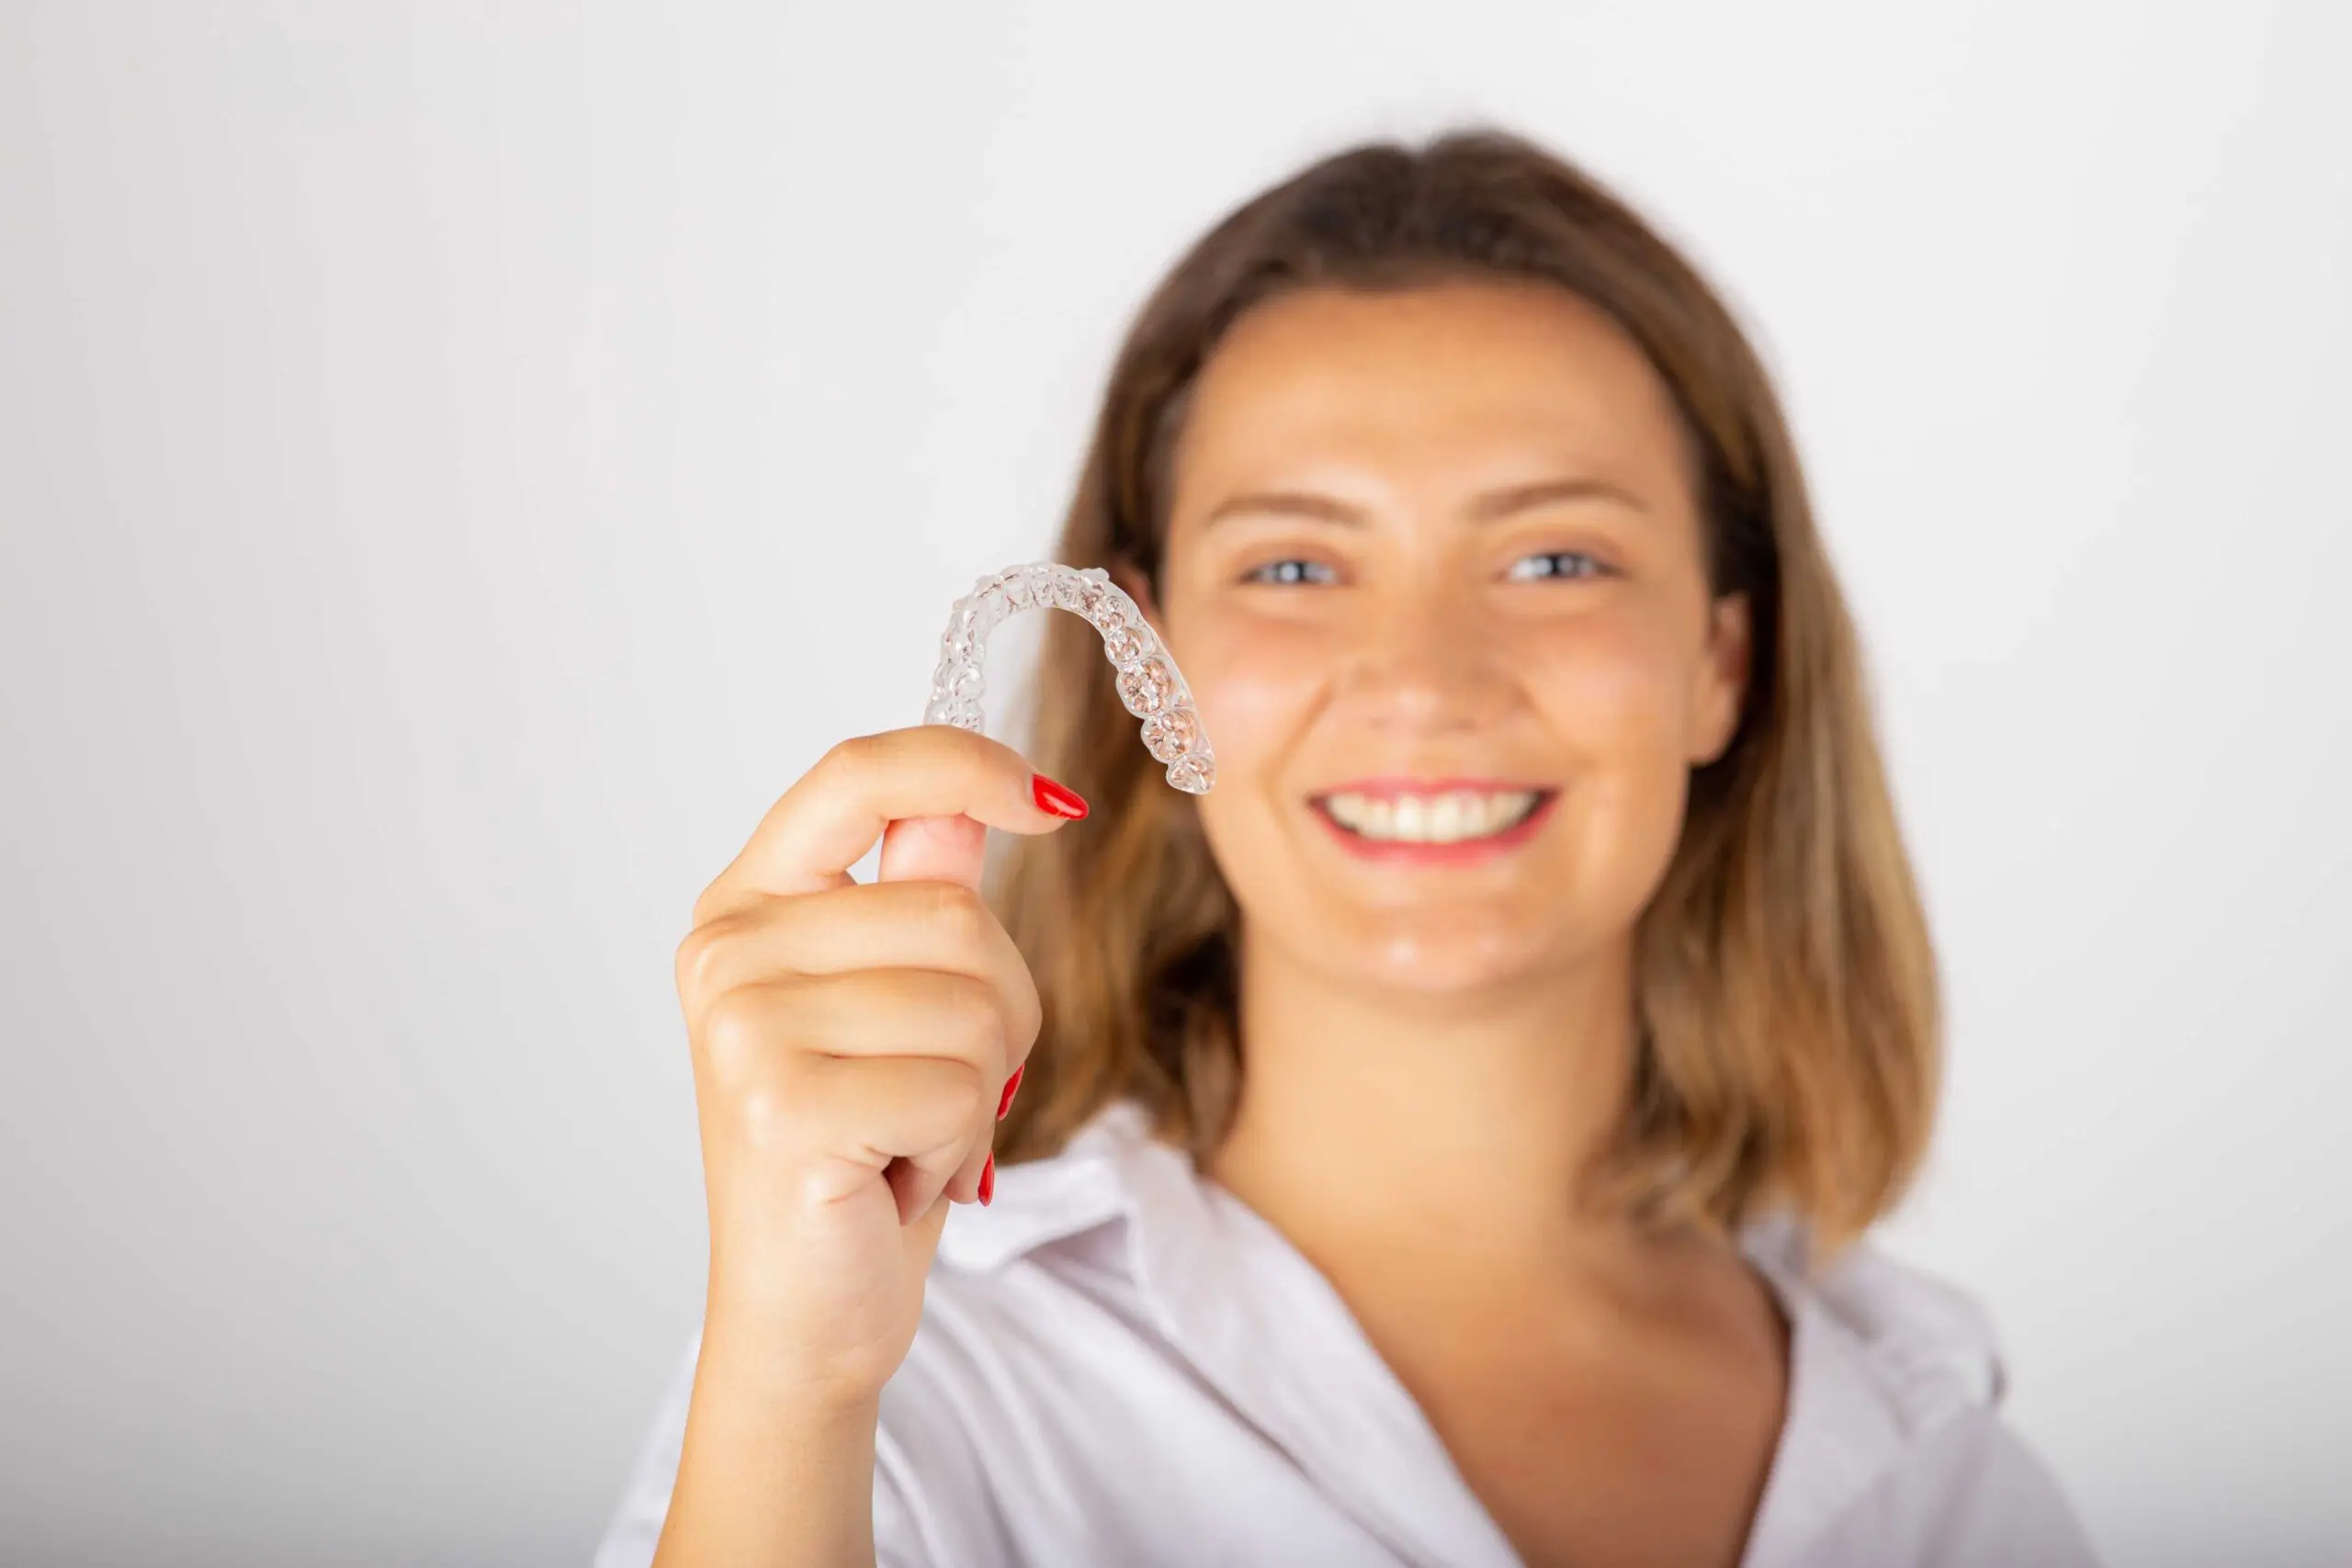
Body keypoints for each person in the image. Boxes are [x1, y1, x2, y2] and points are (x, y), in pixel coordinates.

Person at [594, 126, 2103, 1568]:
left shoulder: (1934, 1465)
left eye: (1554, 557)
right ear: (1150, 649)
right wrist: (795, 1381)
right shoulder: (903, 1402)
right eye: (1297, 563)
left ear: (1723, 658)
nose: (1425, 681)